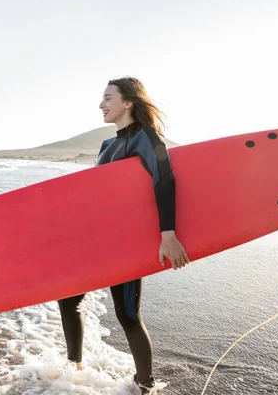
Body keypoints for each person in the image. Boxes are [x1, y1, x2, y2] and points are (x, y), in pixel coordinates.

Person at [57, 76, 189, 394]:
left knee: (127, 315)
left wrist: (168, 235)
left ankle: (145, 385)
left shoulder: (146, 137)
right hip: (98, 242)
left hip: (126, 246)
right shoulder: (106, 146)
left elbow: (164, 180)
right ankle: (74, 371)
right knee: (67, 300)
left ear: (127, 102)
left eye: (107, 98)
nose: (101, 104)